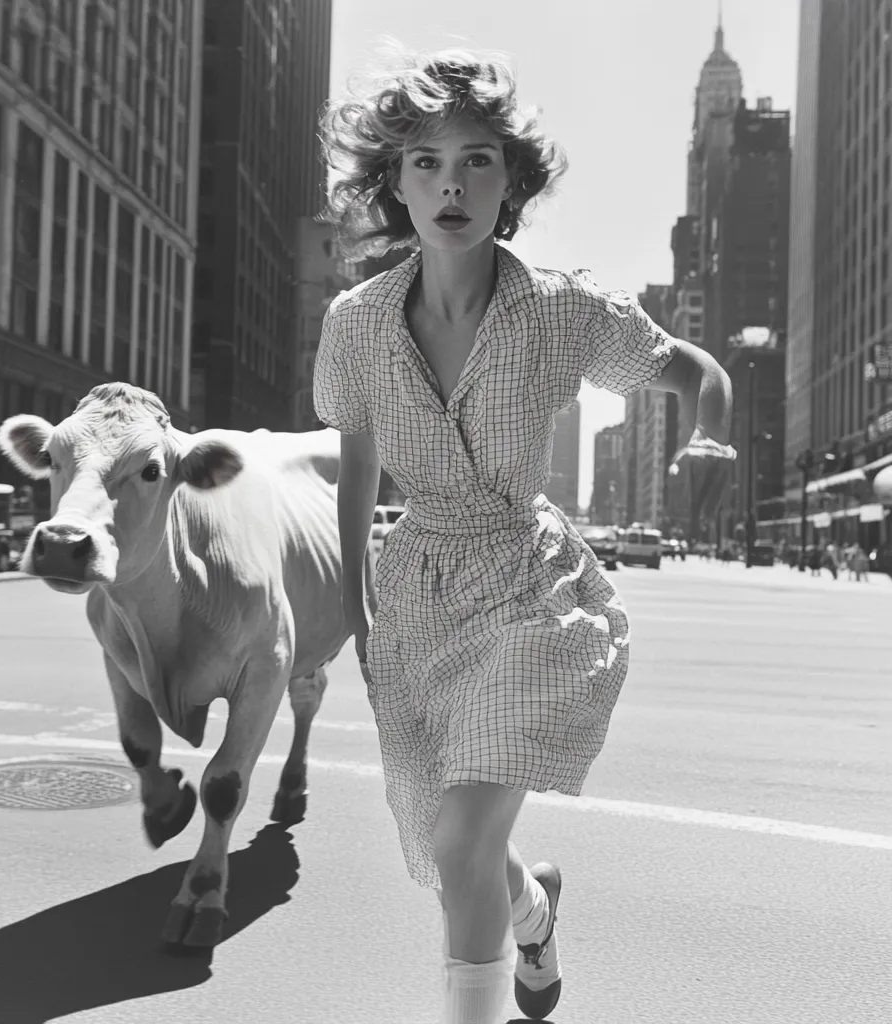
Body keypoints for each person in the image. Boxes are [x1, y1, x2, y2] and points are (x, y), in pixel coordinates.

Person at [313, 49, 736, 1024]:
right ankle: (533, 907)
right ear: (394, 180)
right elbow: (358, 463)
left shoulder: (560, 310)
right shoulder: (356, 326)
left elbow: (699, 373)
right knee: (443, 838)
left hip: (528, 590)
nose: (450, 183)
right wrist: (356, 618)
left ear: (512, 183)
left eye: (476, 160)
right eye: (424, 161)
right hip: (414, 597)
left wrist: (708, 434)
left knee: (460, 844)